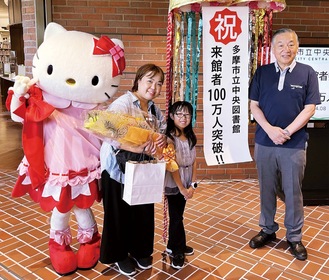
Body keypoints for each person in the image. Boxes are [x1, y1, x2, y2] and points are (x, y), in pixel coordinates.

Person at [248, 28, 321, 261]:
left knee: (292, 191)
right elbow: (254, 105)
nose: (285, 49)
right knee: (266, 189)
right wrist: (270, 130)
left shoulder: (308, 73)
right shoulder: (262, 73)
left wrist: (287, 132)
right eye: (280, 44)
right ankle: (267, 229)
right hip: (264, 142)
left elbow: (310, 108)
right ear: (272, 48)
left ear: (296, 47)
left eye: (290, 44)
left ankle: (294, 236)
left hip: (294, 144)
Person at [99, 64, 167, 276]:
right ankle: (118, 255)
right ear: (138, 80)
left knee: (142, 211)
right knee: (119, 214)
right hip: (117, 170)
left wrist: (162, 140)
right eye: (150, 81)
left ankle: (140, 250)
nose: (154, 87)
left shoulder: (154, 109)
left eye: (158, 84)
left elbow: (162, 132)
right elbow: (105, 132)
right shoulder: (124, 103)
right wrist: (136, 146)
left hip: (141, 170)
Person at [164, 101, 197, 269]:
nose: (183, 118)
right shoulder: (170, 137)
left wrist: (192, 185)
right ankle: (177, 250)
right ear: (172, 116)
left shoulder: (190, 136)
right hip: (174, 181)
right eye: (179, 114)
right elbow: (171, 165)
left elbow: (194, 162)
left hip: (186, 179)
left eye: (187, 115)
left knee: (178, 215)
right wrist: (182, 188)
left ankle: (172, 244)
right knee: (176, 217)